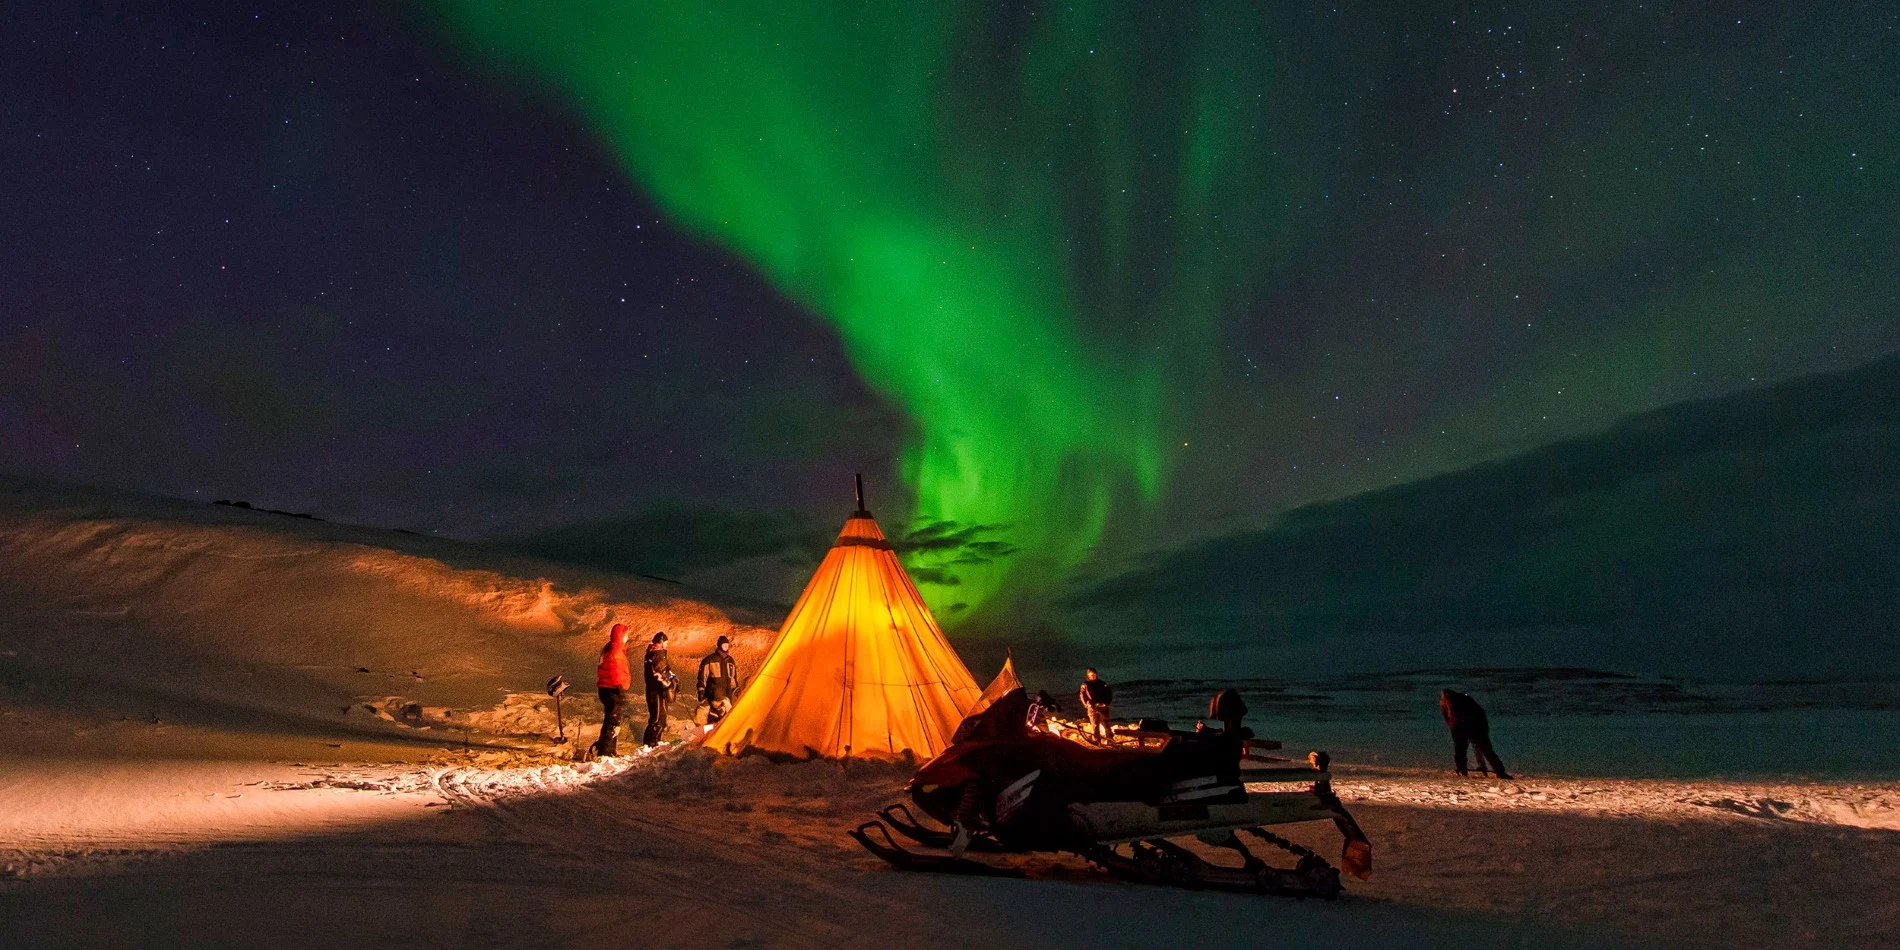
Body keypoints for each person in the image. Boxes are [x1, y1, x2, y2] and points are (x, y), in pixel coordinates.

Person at [1440, 688, 1513, 779]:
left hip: (1472, 727)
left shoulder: (1452, 702)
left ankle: (1462, 770)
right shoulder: (1463, 699)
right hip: (1472, 727)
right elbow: (1480, 713)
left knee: (1463, 750)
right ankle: (1499, 771)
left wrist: (1456, 730)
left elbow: (1449, 718)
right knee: (1484, 750)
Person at [592, 623, 631, 757]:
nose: (627, 637)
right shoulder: (616, 651)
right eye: (626, 635)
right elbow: (616, 672)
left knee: (612, 720)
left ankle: (608, 749)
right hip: (613, 689)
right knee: (613, 722)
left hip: (607, 688)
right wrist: (619, 690)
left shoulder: (612, 649)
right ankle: (605, 752)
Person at [696, 635, 742, 725]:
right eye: (724, 645)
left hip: (727, 698)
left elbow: (732, 678)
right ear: (719, 645)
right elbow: (702, 678)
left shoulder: (730, 661)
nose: (726, 647)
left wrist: (736, 689)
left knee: (725, 721)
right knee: (713, 721)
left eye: (727, 645)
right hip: (713, 697)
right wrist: (701, 690)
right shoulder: (709, 660)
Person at [642, 631, 675, 747]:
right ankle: (651, 743)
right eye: (665, 643)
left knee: (659, 718)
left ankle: (651, 743)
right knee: (658, 719)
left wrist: (673, 678)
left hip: (657, 690)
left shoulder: (658, 654)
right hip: (656, 691)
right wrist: (669, 685)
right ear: (661, 643)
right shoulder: (657, 654)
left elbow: (666, 670)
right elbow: (659, 674)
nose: (667, 645)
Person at [1078, 668, 1114, 744]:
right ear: (1088, 675)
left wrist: (1107, 703)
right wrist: (1086, 704)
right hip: (1092, 708)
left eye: (1094, 674)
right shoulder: (1085, 684)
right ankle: (1097, 741)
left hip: (1103, 707)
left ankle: (1110, 740)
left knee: (1106, 724)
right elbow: (1082, 695)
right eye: (1091, 675)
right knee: (1095, 725)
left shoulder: (1102, 683)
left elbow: (1109, 694)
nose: (1093, 676)